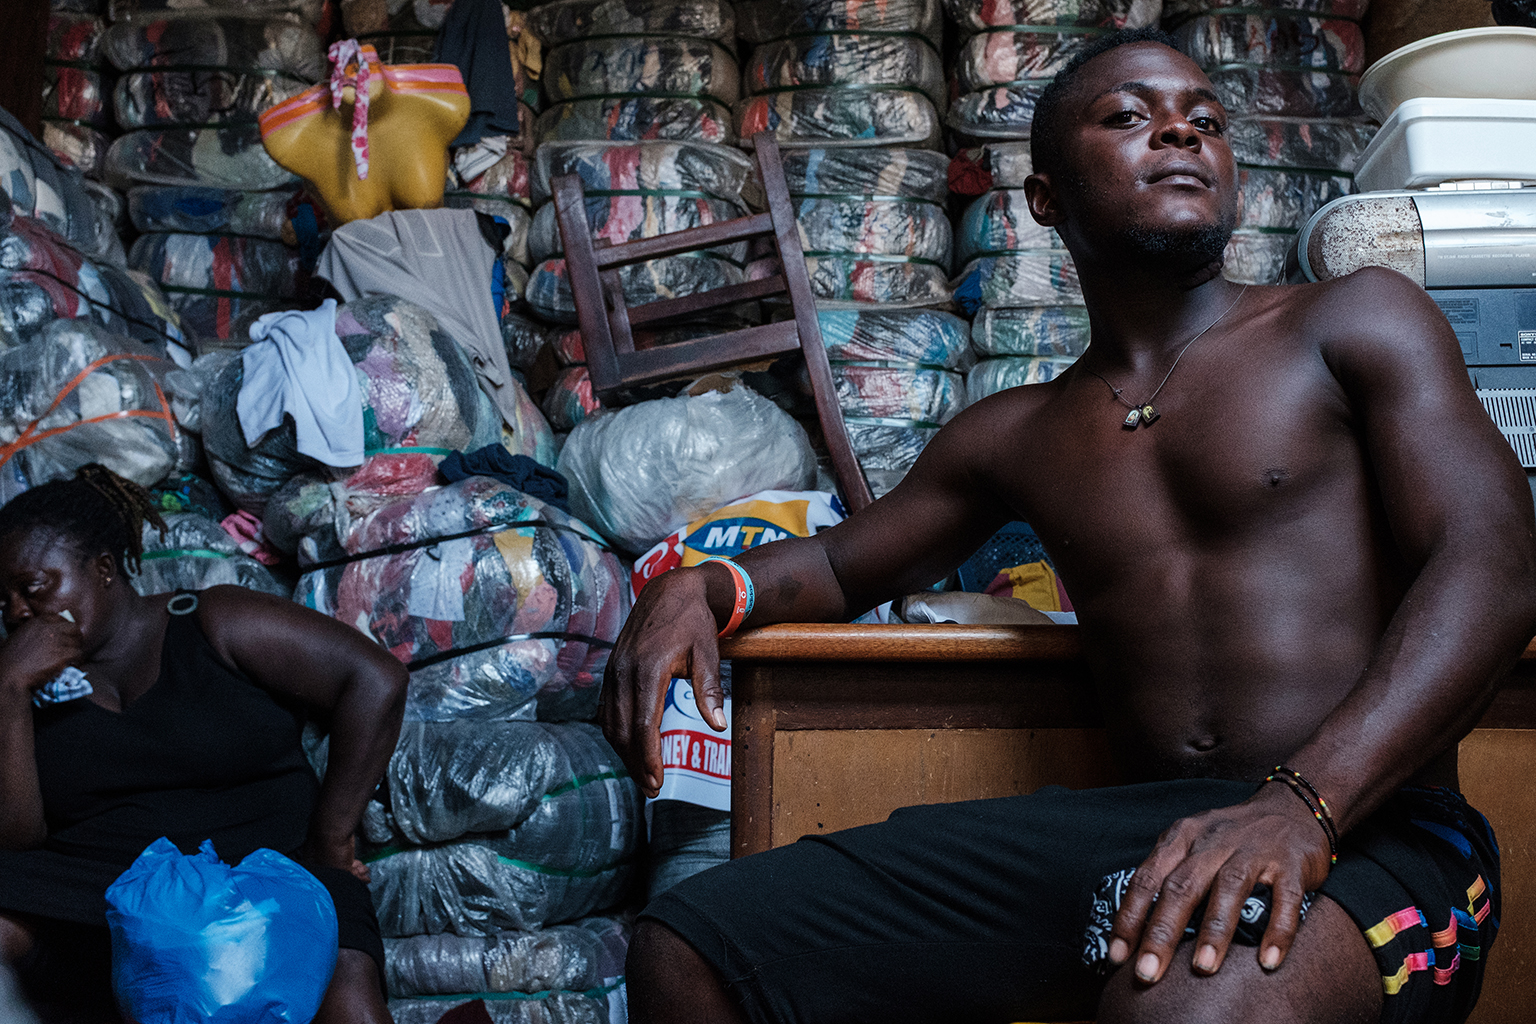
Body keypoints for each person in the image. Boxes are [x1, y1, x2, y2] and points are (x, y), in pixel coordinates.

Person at [599, 28, 1536, 1024]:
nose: (1181, 129)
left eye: (1205, 120)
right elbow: (837, 562)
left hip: (1382, 832)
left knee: (1184, 1008)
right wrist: (697, 585)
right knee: (692, 948)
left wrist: (1302, 801)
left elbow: (1496, 564)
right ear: (1044, 197)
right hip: (1149, 829)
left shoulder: (1354, 321)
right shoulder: (1018, 433)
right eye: (1130, 116)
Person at [0, 465, 407, 1023]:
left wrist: (331, 838)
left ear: (102, 569)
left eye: (33, 588)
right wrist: (9, 688)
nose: (18, 612)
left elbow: (374, 679)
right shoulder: (21, 687)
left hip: (265, 873)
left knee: (348, 995)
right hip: (107, 895)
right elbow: (18, 839)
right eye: (4, 601)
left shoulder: (212, 621)